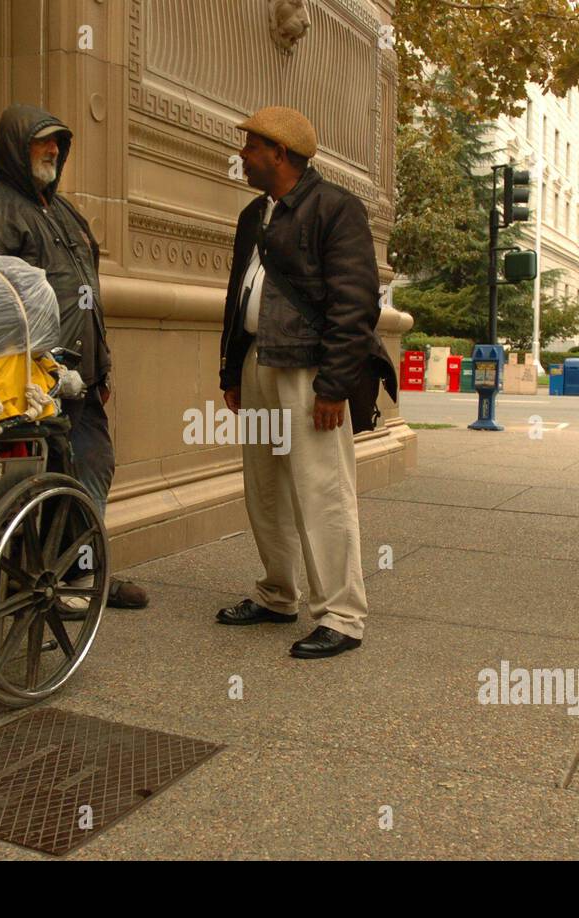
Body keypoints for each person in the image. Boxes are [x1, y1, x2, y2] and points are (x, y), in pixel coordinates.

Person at [0, 104, 148, 614]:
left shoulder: (65, 211)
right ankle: (52, 581)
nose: (53, 151)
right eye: (43, 143)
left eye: (59, 143)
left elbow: (90, 292)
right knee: (43, 480)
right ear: (18, 147)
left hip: (81, 379)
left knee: (91, 466)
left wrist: (101, 365)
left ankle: (82, 571)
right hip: (29, 383)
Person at [215, 106, 396, 659]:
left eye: (250, 147)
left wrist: (334, 386)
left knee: (321, 490)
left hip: (310, 372)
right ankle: (277, 595)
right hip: (259, 361)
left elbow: (354, 303)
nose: (241, 155)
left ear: (280, 153)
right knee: (264, 490)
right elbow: (236, 296)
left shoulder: (336, 209)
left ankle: (342, 615)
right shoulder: (253, 215)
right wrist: (230, 370)